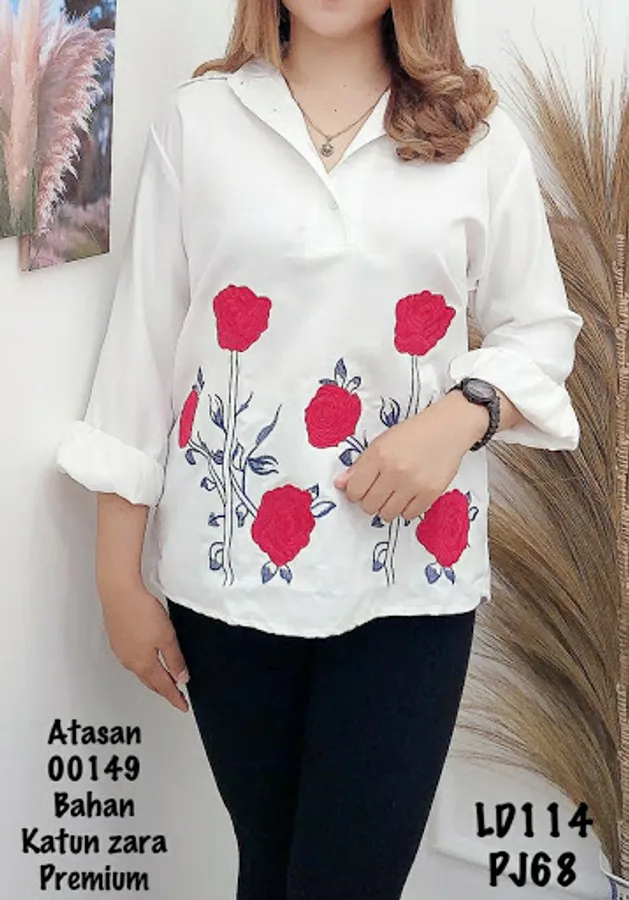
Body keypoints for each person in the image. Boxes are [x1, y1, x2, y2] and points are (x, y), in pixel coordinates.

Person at [56, 1, 584, 897]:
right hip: (225, 579)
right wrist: (118, 579)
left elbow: (538, 331)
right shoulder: (200, 122)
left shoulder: (476, 138)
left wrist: (462, 414)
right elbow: (142, 349)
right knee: (267, 869)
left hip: (410, 579)